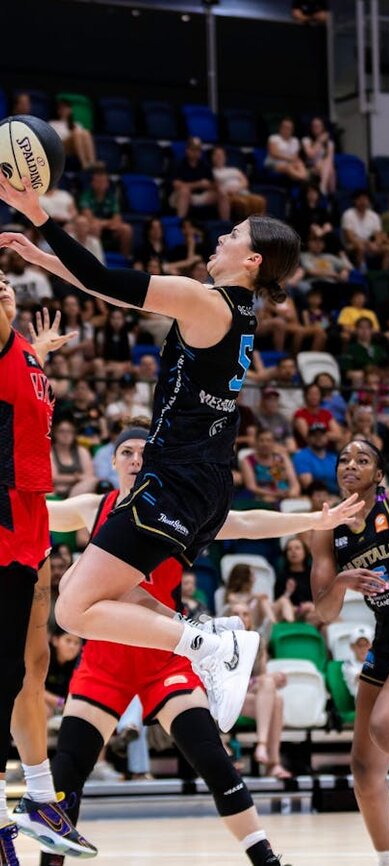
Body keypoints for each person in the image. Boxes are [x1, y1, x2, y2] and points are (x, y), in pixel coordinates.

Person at [0, 176, 349, 737]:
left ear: (252, 258)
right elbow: (108, 290)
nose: (220, 239)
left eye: (232, 234)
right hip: (201, 480)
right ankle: (209, 641)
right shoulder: (238, 312)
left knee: (72, 608)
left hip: (178, 480)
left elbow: (104, 280)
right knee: (116, 593)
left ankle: (212, 643)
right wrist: (43, 257)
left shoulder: (203, 300)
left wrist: (39, 216)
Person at [42, 421, 361, 866]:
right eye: (127, 453)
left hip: (165, 657)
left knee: (212, 759)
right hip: (104, 660)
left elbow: (247, 522)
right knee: (67, 770)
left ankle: (267, 859)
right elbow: (36, 508)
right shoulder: (95, 507)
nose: (136, 460)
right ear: (112, 462)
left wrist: (313, 519)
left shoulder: (179, 513)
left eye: (143, 453)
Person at [0, 285, 96, 864]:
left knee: (32, 666)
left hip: (33, 517)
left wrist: (38, 349)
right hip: (4, 511)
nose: (5, 282)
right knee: (6, 669)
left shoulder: (24, 352)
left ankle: (40, 800)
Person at [311, 439, 389, 866]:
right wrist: (343, 582)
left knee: (385, 728)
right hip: (387, 634)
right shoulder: (327, 528)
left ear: (378, 475)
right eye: (344, 459)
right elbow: (325, 611)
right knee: (365, 770)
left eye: (362, 459)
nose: (351, 464)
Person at [228, 601, 291, 777]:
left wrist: (270, 679)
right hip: (225, 700)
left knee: (276, 698)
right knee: (272, 691)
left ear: (251, 619)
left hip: (246, 697)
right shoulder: (220, 641)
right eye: (236, 613)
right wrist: (266, 679)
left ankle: (270, 757)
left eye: (245, 613)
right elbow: (226, 681)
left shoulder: (257, 642)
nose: (241, 617)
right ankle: (270, 758)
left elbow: (262, 680)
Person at [79, 166, 133, 258]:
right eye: (98, 181)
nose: (101, 184)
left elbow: (117, 220)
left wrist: (103, 223)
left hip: (109, 229)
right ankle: (96, 258)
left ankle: (125, 260)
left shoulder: (111, 198)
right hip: (93, 229)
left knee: (126, 229)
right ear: (92, 183)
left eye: (103, 182)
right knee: (95, 227)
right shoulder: (86, 196)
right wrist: (106, 223)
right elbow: (89, 219)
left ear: (107, 183)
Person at [169, 136, 226, 220]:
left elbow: (212, 184)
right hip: (179, 195)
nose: (196, 152)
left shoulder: (205, 166)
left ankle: (225, 225)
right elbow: (176, 185)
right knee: (185, 191)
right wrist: (198, 184)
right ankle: (180, 222)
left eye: (198, 150)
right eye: (193, 149)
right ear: (187, 150)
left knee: (222, 193)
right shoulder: (178, 164)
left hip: (201, 196)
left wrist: (210, 185)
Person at [240, 429, 300, 506]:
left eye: (269, 440)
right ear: (256, 442)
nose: (265, 444)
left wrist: (292, 493)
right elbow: (251, 487)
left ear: (274, 443)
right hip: (261, 497)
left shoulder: (281, 458)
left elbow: (294, 482)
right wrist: (275, 494)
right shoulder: (248, 460)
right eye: (261, 440)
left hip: (285, 495)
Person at [211, 146, 266, 220]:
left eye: (221, 155)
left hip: (243, 193)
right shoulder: (212, 172)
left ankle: (260, 226)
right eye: (217, 155)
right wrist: (231, 190)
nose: (219, 157)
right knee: (242, 203)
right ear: (212, 157)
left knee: (260, 200)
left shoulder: (234, 170)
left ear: (225, 157)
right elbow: (217, 186)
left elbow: (245, 182)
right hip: (230, 196)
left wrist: (238, 188)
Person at [341, 190, 384, 270]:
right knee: (360, 247)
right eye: (360, 199)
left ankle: (385, 273)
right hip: (351, 245)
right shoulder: (348, 214)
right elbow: (350, 238)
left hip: (369, 244)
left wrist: (376, 244)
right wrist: (367, 244)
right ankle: (362, 271)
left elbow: (379, 236)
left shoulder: (374, 216)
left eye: (365, 200)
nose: (363, 202)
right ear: (355, 201)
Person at [49, 100, 96, 171]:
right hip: (61, 147)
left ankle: (92, 161)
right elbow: (53, 140)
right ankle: (84, 163)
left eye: (66, 108)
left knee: (86, 132)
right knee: (76, 133)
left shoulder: (76, 124)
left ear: (70, 110)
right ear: (58, 111)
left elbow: (83, 138)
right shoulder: (53, 123)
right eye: (61, 109)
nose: (64, 111)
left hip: (74, 147)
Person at [293, 423, 339, 493]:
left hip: (336, 496)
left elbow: (342, 482)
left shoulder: (333, 458)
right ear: (308, 438)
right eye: (314, 435)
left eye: (322, 435)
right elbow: (308, 485)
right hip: (313, 496)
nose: (318, 438)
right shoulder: (301, 456)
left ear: (327, 437)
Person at [265, 118, 308, 184]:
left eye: (289, 128)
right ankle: (305, 179)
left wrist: (294, 160)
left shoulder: (295, 140)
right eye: (284, 127)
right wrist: (289, 159)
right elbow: (274, 154)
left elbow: (296, 155)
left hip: (289, 162)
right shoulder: (274, 138)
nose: (286, 129)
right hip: (274, 163)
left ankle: (303, 177)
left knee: (300, 163)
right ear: (280, 128)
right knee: (288, 167)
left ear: (292, 130)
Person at [301, 117, 335, 195]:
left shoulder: (329, 142)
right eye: (314, 126)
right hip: (310, 167)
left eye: (318, 126)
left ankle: (324, 187)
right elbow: (310, 155)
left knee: (330, 168)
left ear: (323, 127)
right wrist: (319, 141)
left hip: (323, 167)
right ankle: (329, 194)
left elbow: (330, 158)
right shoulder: (306, 140)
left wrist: (321, 164)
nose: (316, 128)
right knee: (331, 170)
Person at [342, 626, 373, 699]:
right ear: (352, 646)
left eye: (366, 645)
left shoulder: (376, 661)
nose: (363, 648)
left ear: (371, 646)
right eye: (359, 645)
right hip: (361, 702)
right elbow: (363, 677)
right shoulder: (348, 665)